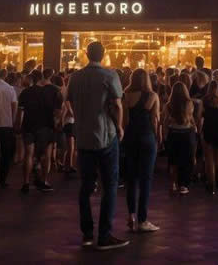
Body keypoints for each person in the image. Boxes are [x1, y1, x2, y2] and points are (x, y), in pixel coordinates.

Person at [66, 41, 128, 250]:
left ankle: (87, 233)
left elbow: (71, 101)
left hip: (83, 137)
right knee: (109, 185)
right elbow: (117, 104)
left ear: (86, 54)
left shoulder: (76, 77)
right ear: (103, 55)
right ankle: (105, 234)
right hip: (105, 134)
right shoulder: (109, 76)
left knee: (85, 186)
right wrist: (119, 126)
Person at [122, 68, 160, 233]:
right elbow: (155, 120)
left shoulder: (126, 95)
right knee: (146, 179)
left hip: (130, 137)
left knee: (131, 179)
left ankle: (131, 215)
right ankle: (143, 220)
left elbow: (123, 119)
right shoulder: (152, 96)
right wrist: (159, 138)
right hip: (146, 136)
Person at [17, 69, 60, 193]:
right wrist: (56, 123)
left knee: (28, 154)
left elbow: (20, 111)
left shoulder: (26, 92)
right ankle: (44, 180)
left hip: (29, 125)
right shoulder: (53, 92)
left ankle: (25, 182)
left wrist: (18, 124)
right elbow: (57, 112)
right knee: (46, 155)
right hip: (46, 126)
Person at [164, 81, 197, 195]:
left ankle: (173, 183)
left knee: (173, 160)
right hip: (186, 133)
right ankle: (183, 185)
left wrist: (164, 134)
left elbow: (165, 121)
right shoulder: (189, 103)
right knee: (187, 160)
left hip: (173, 133)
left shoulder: (169, 104)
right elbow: (191, 117)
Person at [201, 79, 218, 194]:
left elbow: (199, 117)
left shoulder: (204, 101)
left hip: (208, 129)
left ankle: (211, 185)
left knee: (209, 160)